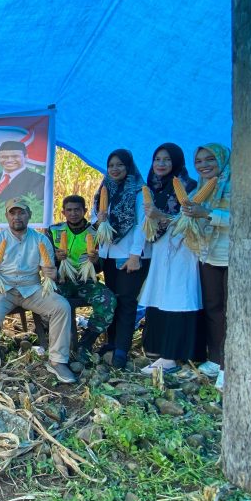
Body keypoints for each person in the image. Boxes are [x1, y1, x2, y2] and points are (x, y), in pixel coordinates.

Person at [0, 199, 76, 382]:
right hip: (3, 288)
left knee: (62, 307)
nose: (17, 217)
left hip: (31, 288)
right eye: (12, 213)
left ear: (29, 215)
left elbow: (48, 272)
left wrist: (51, 273)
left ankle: (57, 361)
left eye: (21, 213)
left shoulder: (40, 239)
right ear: (7, 216)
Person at [138, 144, 203, 375]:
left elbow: (188, 221)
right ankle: (157, 348)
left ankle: (171, 356)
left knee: (176, 297)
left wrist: (161, 216)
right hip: (160, 248)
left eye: (166, 159)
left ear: (176, 162)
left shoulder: (190, 187)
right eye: (157, 159)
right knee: (160, 295)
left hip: (181, 249)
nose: (161, 164)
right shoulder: (154, 187)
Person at [94, 149, 151, 369]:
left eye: (120, 165)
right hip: (109, 255)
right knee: (113, 300)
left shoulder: (138, 191)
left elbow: (142, 225)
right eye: (111, 165)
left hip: (129, 256)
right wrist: (99, 220)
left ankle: (122, 349)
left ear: (128, 166)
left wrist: (135, 255)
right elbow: (95, 219)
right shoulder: (104, 189)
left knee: (127, 302)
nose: (115, 169)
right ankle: (111, 342)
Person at [182, 143, 231, 390]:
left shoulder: (239, 184)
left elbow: (248, 218)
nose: (204, 165)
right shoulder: (199, 188)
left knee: (233, 312)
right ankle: (215, 359)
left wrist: (207, 214)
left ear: (222, 159)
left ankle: (230, 365)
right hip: (209, 254)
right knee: (213, 308)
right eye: (199, 161)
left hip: (237, 257)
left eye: (210, 159)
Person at [48, 195, 116, 363]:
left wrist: (96, 261)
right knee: (46, 300)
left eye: (77, 210)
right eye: (69, 210)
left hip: (86, 280)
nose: (73, 214)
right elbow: (44, 261)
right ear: (63, 212)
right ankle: (58, 343)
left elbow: (101, 265)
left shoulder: (96, 231)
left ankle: (86, 343)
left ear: (85, 211)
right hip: (61, 280)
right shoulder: (54, 230)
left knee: (108, 300)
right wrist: (55, 258)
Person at [0, 141, 45, 212]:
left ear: (26, 157)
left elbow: (34, 208)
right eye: (4, 157)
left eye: (15, 156)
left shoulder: (39, 180)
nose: (9, 160)